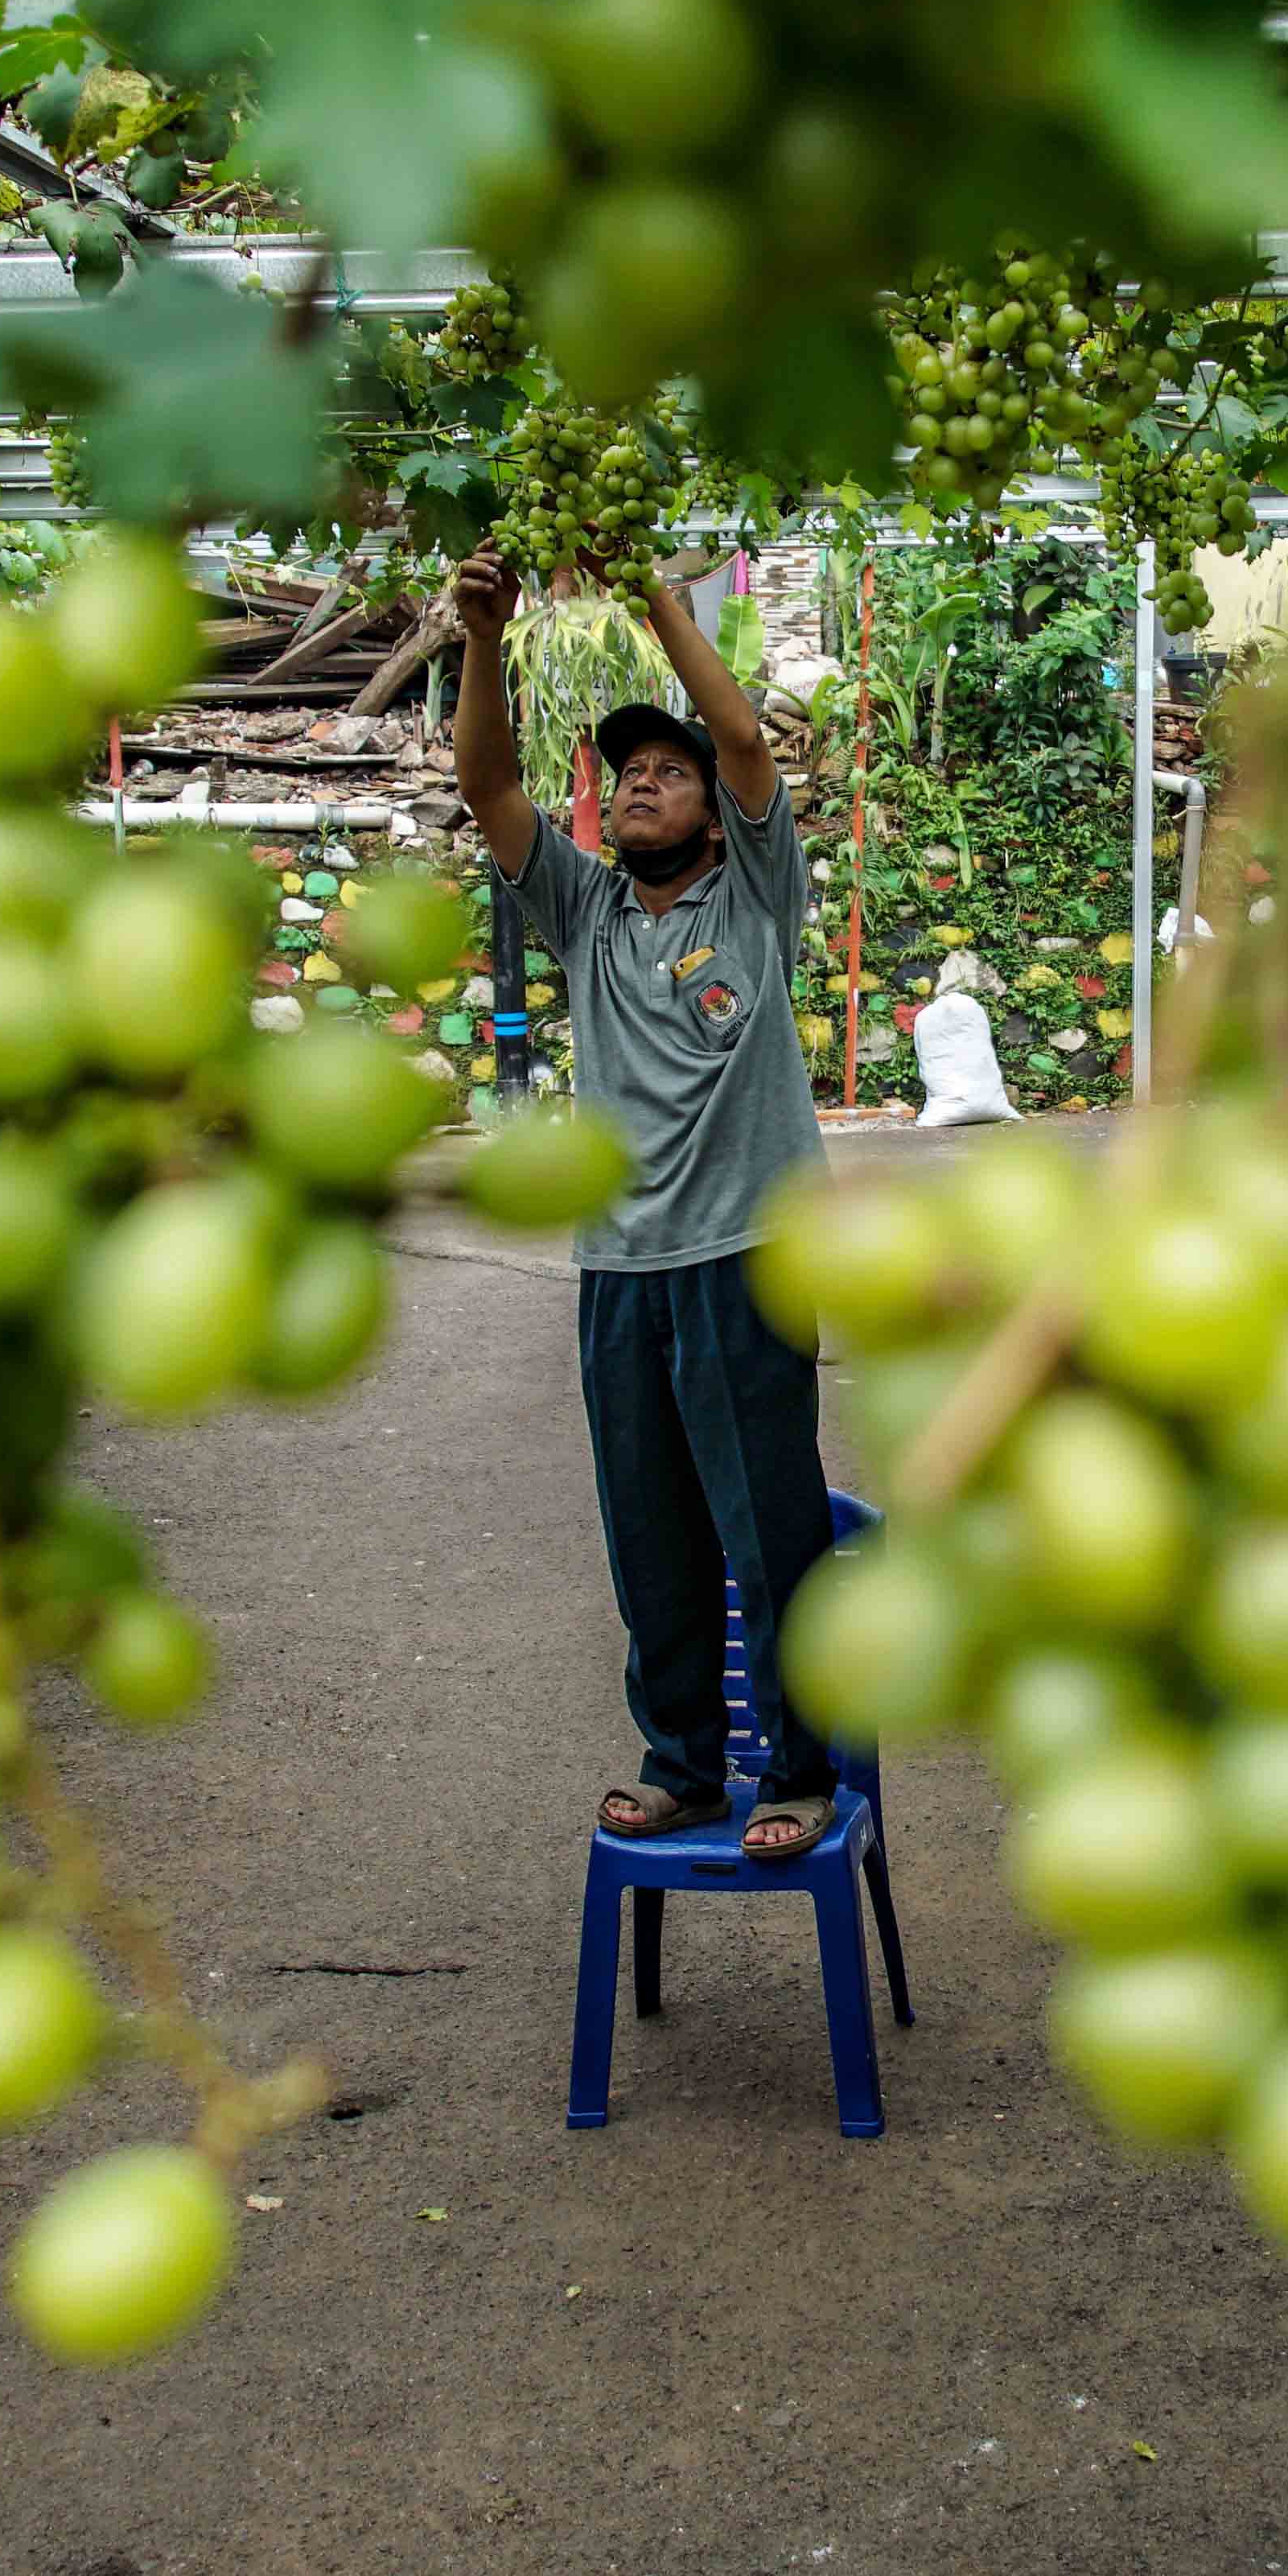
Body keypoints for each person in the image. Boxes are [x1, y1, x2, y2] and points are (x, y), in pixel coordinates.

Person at [450, 549, 845, 1860]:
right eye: (626, 777)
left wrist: (651, 595)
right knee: (652, 1537)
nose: (642, 787)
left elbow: (737, 731)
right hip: (620, 1269)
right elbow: (488, 784)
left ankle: (799, 1768)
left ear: (711, 808)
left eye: (664, 774)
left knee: (769, 1528)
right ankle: (683, 1762)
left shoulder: (758, 894)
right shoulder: (588, 910)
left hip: (747, 1254)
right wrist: (484, 634)